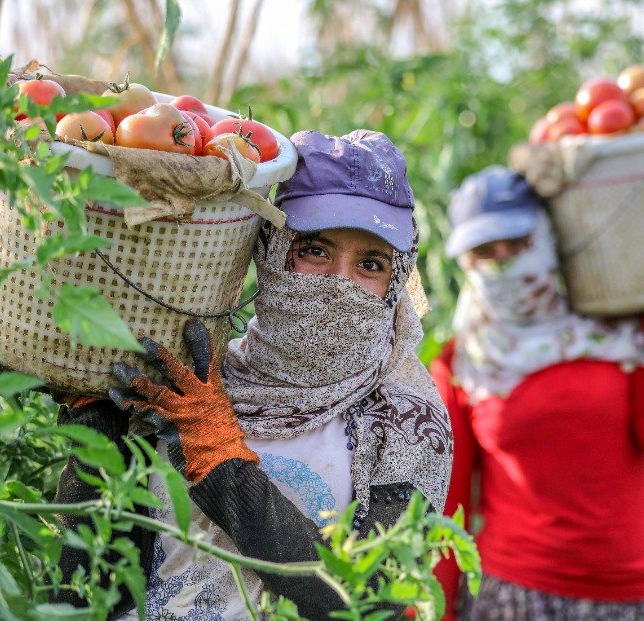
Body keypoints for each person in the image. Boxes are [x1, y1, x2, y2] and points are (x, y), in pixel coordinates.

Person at [49, 129, 453, 620]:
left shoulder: (408, 422)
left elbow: (372, 600)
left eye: (370, 264)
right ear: (272, 250)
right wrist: (97, 432)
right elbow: (88, 589)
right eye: (315, 251)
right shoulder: (203, 378)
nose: (340, 284)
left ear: (395, 283)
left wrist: (222, 463)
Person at [430, 166, 644, 620]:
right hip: (518, 595)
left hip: (642, 591)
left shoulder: (616, 331)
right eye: (485, 252)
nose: (506, 262)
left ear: (548, 237)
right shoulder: (467, 363)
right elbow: (450, 507)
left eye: (518, 243)